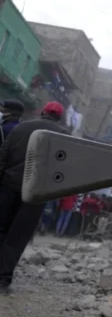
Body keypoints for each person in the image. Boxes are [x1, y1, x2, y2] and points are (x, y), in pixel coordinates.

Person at [0, 101, 69, 293]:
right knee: (18, 236)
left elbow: (3, 155)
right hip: (36, 194)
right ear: (59, 117)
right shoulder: (63, 136)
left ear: (42, 112)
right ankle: (3, 280)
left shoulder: (22, 127)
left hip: (8, 186)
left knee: (1, 228)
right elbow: (62, 170)